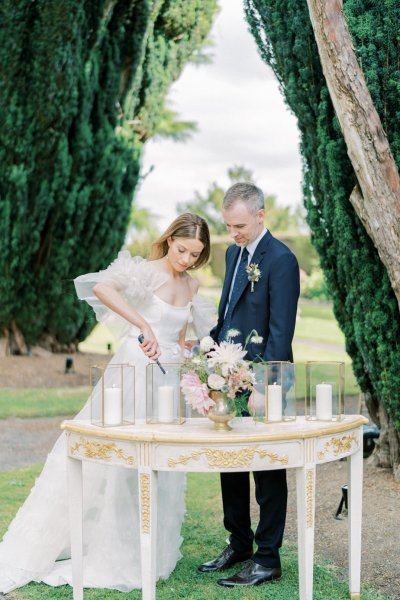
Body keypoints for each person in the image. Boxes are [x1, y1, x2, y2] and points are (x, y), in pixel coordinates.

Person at [0, 213, 215, 594]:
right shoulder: (147, 272)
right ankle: (103, 547)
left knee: (158, 465)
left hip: (167, 382)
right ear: (169, 241)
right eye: (182, 250)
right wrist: (142, 325)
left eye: (195, 255)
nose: (185, 260)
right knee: (119, 461)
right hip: (134, 373)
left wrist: (197, 369)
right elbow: (102, 288)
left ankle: (146, 548)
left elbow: (181, 337)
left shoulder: (192, 284)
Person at [198, 182, 300, 587]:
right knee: (231, 464)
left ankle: (267, 558)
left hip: (265, 378)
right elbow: (228, 312)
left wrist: (262, 385)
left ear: (261, 215)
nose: (233, 233)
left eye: (239, 225)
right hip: (229, 373)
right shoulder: (231, 253)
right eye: (228, 225)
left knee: (267, 469)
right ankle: (239, 542)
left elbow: (281, 332)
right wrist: (208, 349)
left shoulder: (282, 259)